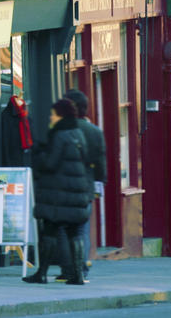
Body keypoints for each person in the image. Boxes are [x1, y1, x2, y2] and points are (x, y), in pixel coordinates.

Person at [23, 99, 93, 286]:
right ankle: (77, 275)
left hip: (59, 195)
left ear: (61, 116)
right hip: (76, 193)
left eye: (54, 114)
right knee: (75, 233)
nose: (50, 117)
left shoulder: (59, 135)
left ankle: (42, 274)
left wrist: (38, 153)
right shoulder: (78, 133)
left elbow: (50, 163)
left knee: (50, 232)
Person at [63, 89, 105, 281]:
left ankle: (69, 269)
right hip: (85, 187)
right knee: (82, 229)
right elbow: (100, 163)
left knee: (64, 229)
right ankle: (81, 268)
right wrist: (98, 186)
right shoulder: (94, 132)